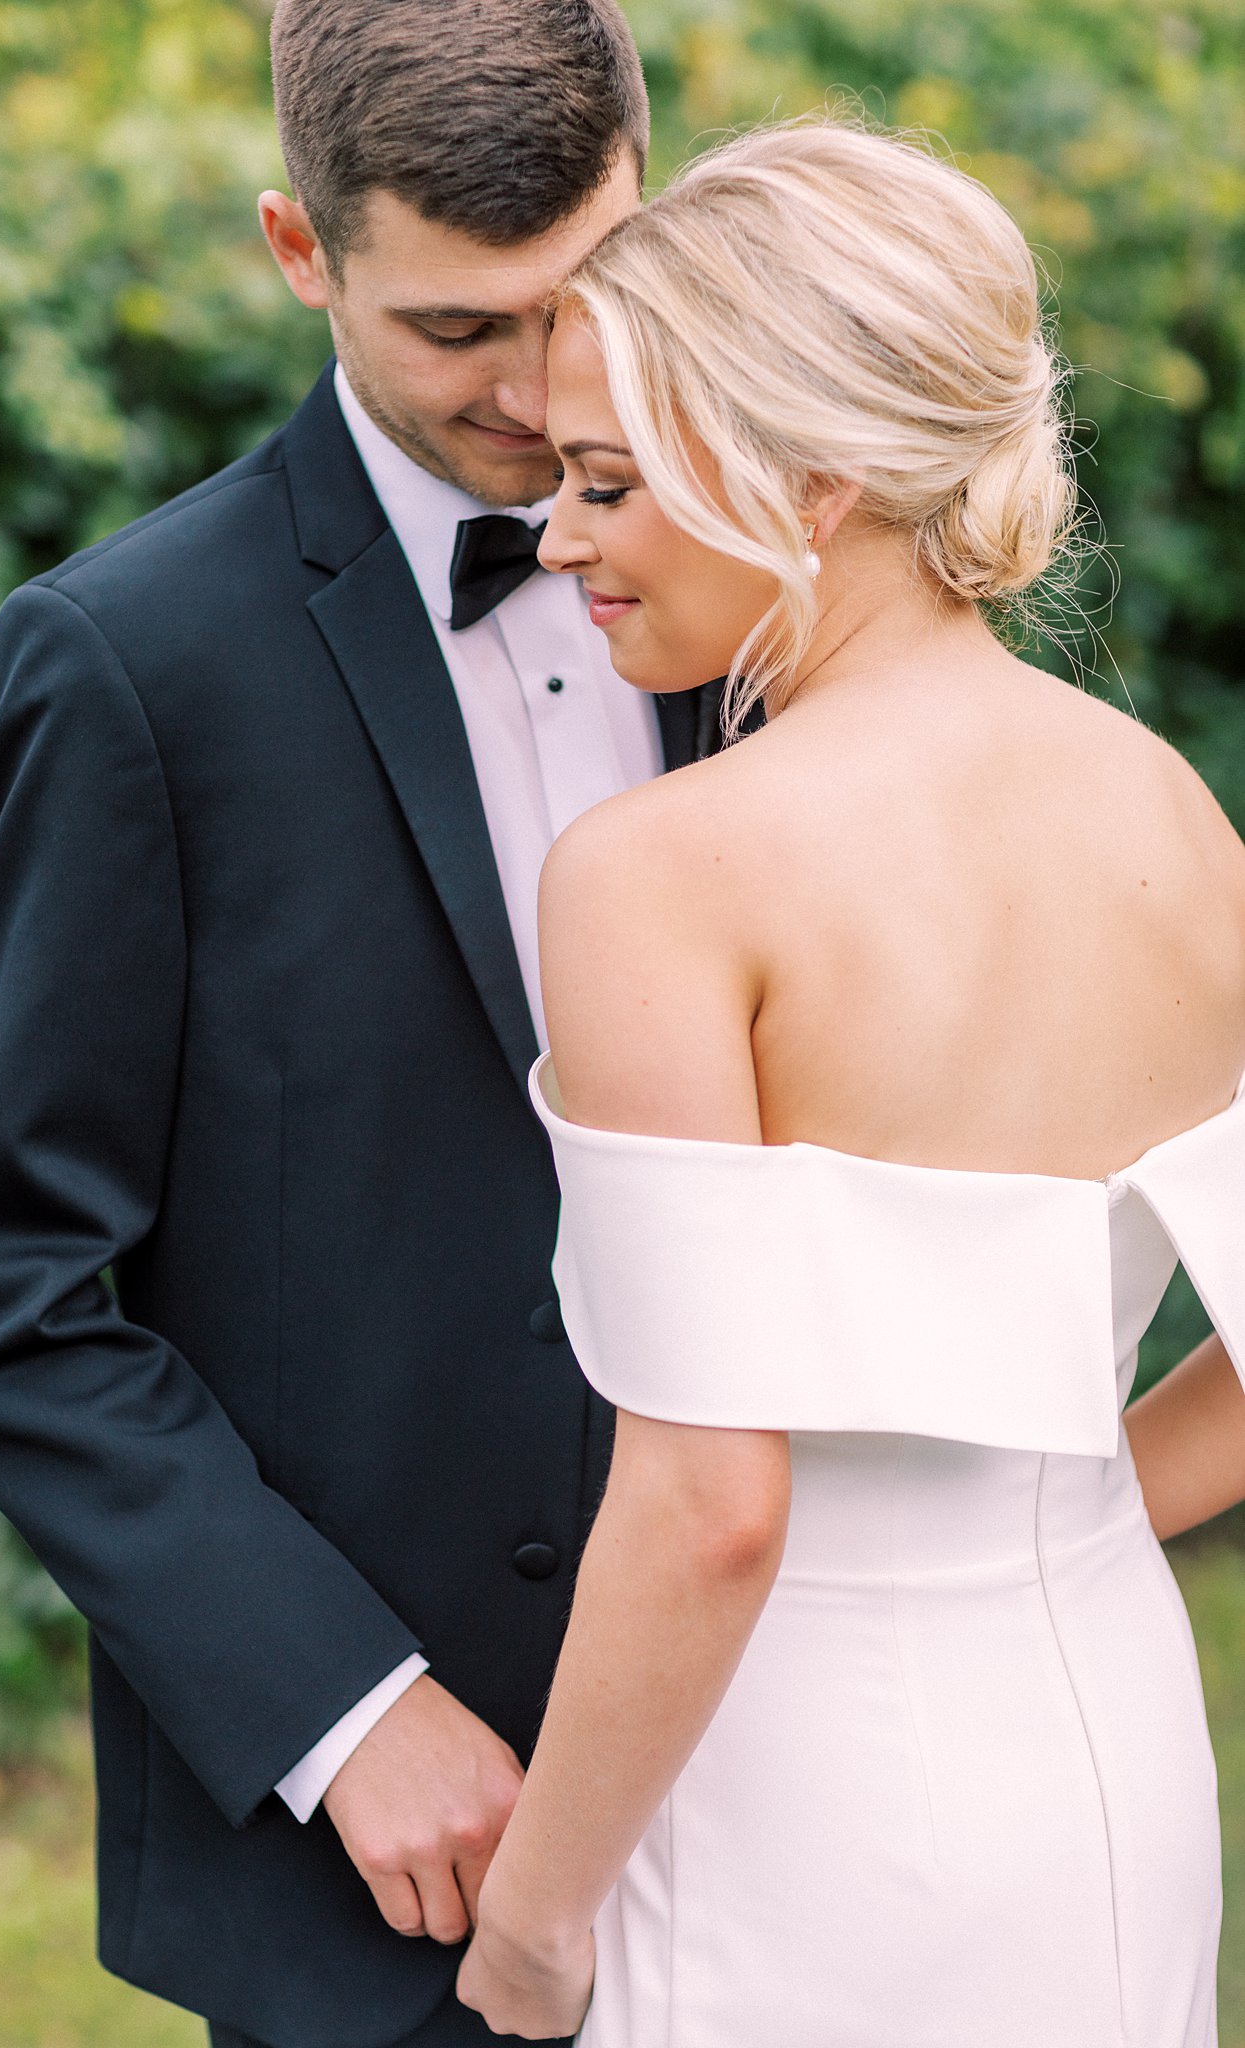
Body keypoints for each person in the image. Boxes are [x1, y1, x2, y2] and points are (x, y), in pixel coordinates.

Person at [0, 5, 725, 2046]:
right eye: (456, 329)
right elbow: (9, 1287)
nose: (533, 391)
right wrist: (341, 1710)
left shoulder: (782, 595)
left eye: (579, 302)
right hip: (394, 1864)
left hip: (788, 1771)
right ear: (299, 250)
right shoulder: (131, 664)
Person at [452, 117, 1245, 2046]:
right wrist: (1042, 1547)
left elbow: (711, 1506)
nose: (558, 540)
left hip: (791, 1792)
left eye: (608, 483)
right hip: (1109, 1754)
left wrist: (535, 1926)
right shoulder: (1169, 813)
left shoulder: (659, 875)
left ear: (809, 480)